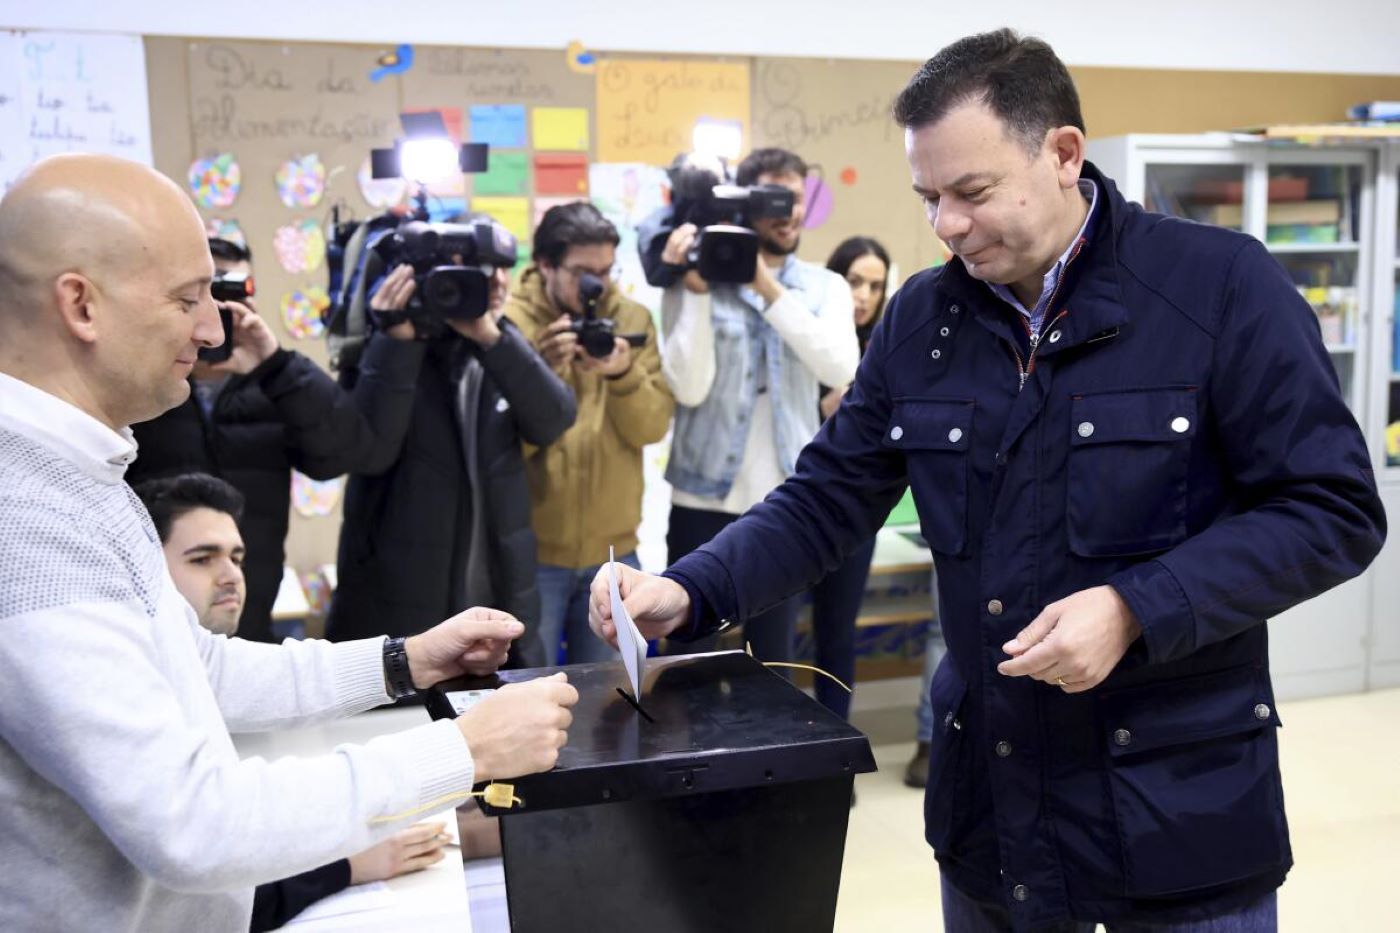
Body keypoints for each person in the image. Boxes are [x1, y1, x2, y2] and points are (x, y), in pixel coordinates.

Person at [591, 29, 1386, 932]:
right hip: (993, 821)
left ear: (1064, 154)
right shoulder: (921, 321)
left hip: (1175, 820)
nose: (946, 225)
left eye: (971, 192)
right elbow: (825, 499)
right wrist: (690, 588)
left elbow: (1331, 508)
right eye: (928, 197)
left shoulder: (1218, 287)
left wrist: (1136, 606)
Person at [0, 153, 579, 933]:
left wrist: (403, 661)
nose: (212, 330)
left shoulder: (80, 475)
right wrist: (464, 751)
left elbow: (199, 669)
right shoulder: (27, 516)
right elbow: (192, 820)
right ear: (81, 304)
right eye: (187, 299)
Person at [134, 473, 456, 931]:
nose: (230, 575)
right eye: (202, 559)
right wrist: (342, 864)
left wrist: (408, 660)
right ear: (144, 568)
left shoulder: (192, 671)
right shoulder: (136, 692)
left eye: (236, 558)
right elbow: (196, 864)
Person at [324, 216, 576, 667]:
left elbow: (553, 420)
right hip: (399, 608)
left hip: (496, 597)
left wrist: (490, 337)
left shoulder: (497, 341)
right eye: (481, 268)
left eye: (504, 268)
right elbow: (369, 451)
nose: (497, 281)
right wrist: (396, 340)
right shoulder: (387, 343)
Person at [657, 146, 858, 669]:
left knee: (773, 662)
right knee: (686, 661)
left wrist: (766, 288)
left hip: (785, 500)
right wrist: (696, 293)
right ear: (742, 202)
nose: (788, 212)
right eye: (772, 198)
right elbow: (688, 387)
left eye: (796, 198)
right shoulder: (697, 277)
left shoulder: (825, 287)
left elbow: (840, 366)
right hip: (702, 493)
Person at [127, 237, 379, 642]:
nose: (217, 312)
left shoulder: (275, 382)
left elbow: (344, 453)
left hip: (249, 608)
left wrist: (276, 365)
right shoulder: (141, 383)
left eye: (232, 292)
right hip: (148, 615)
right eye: (200, 295)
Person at [504, 202, 673, 665]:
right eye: (583, 274)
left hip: (615, 552)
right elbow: (498, 447)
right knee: (530, 688)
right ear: (545, 264)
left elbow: (652, 427)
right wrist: (541, 375)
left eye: (606, 271)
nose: (598, 286)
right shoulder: (511, 325)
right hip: (533, 554)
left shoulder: (633, 320)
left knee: (611, 696)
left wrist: (622, 375)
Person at [808, 236, 892, 721]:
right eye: (853, 281)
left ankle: (836, 744)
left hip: (856, 515)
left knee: (838, 634)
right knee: (776, 640)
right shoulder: (811, 341)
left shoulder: (884, 349)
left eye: (875, 286)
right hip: (797, 508)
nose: (863, 296)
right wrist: (818, 411)